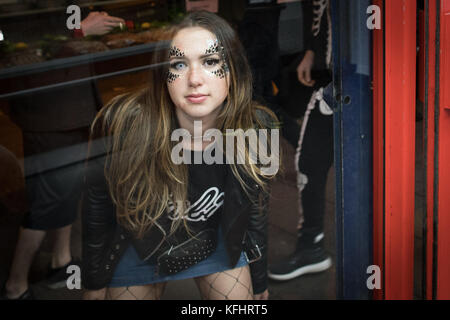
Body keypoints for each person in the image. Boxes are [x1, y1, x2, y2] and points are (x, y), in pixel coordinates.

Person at [82, 11, 278, 300]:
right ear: (164, 74)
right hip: (140, 244)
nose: (194, 79)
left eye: (210, 62)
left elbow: (255, 209)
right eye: (179, 64)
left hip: (213, 241)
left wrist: (259, 279)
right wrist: (94, 282)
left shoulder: (256, 127)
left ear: (233, 70)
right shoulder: (126, 123)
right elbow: (96, 204)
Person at [1, 11, 125, 300]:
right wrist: (80, 31)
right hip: (48, 111)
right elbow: (23, 50)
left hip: (72, 107)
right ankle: (15, 285)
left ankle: (61, 261)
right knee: (48, 200)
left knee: (68, 188)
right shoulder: (24, 7)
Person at [268, 0, 333, 281]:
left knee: (311, 162)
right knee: (309, 162)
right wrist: (311, 51)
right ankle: (311, 246)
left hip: (361, 77)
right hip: (336, 79)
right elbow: (321, 12)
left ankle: (313, 247)